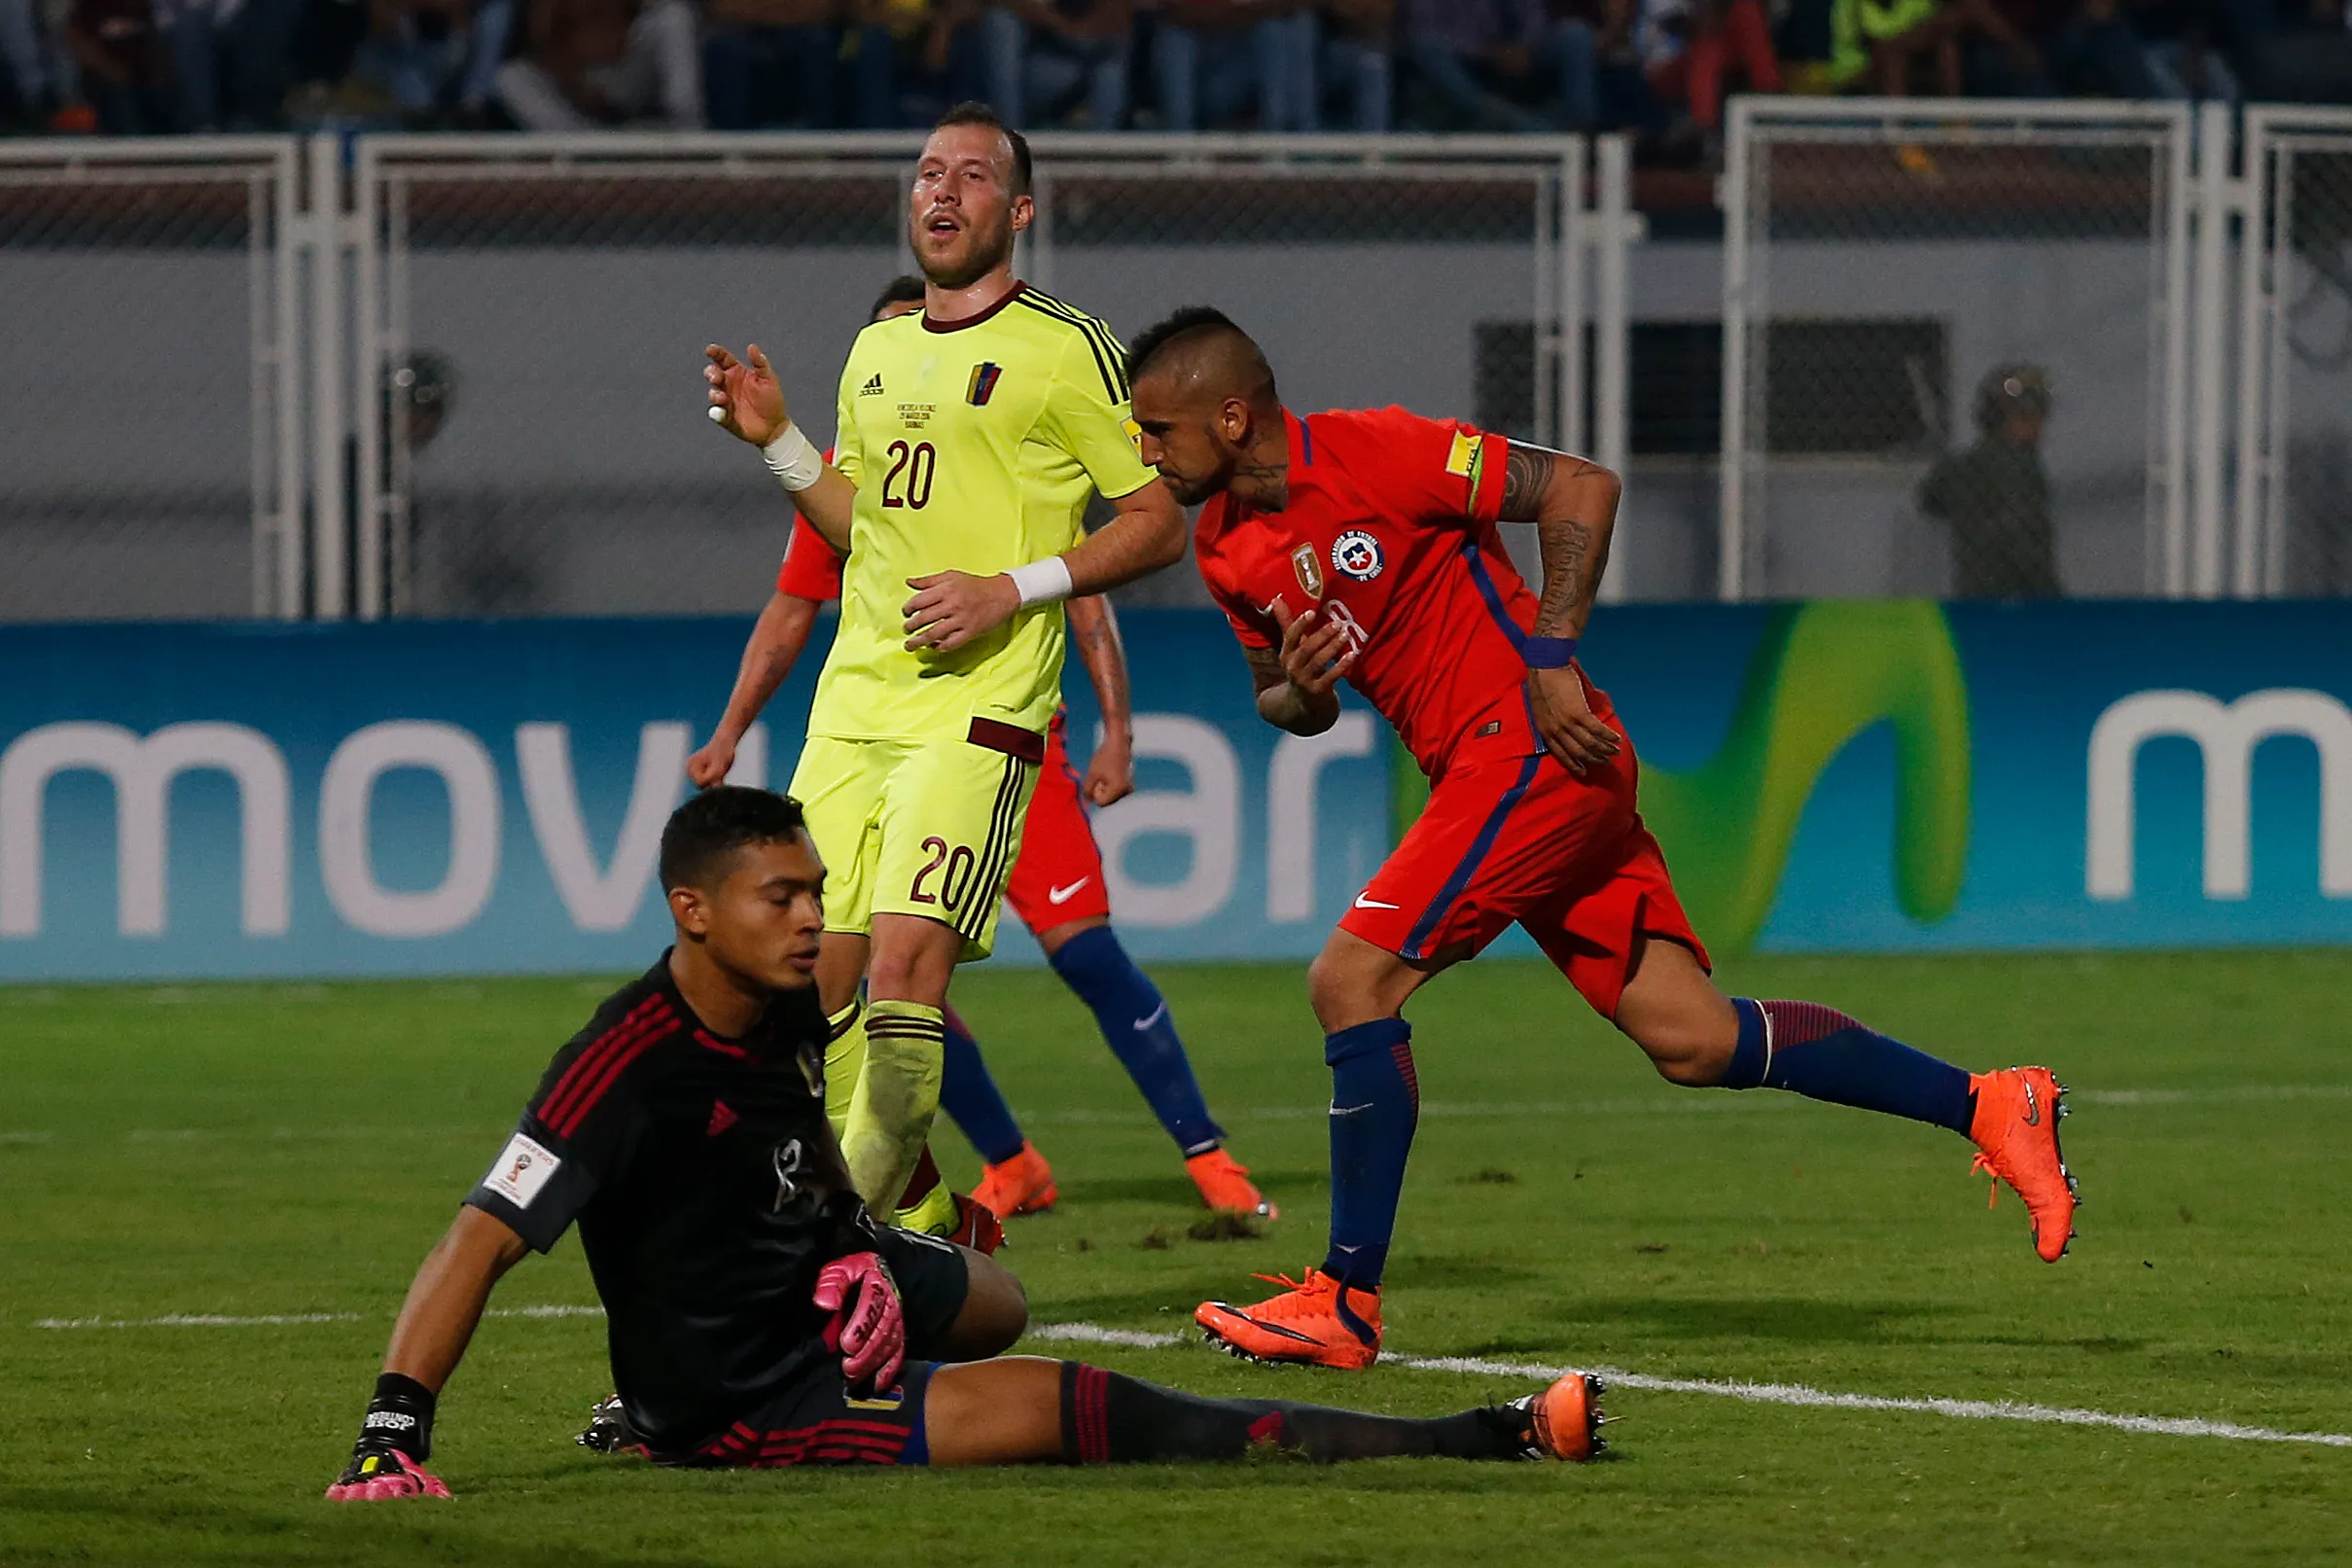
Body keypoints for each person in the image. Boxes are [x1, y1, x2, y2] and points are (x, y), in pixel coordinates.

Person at [1122, 307, 2080, 1372]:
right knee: (1696, 1039)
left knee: (1350, 980)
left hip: (1530, 749)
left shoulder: (1375, 451)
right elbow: (1283, 702)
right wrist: (1302, 692)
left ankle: (1344, 1300)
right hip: (1499, 775)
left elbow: (1581, 486)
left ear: (1233, 417)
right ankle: (1989, 1102)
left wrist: (1549, 655)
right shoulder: (1224, 547)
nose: (1145, 452)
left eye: (1157, 429)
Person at [324, 787, 1604, 1498]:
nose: (812, 918)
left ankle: (844, 1310)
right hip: (756, 1398)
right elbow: (479, 1237)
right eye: (781, 897)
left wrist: (848, 1242)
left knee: (998, 1299)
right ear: (692, 912)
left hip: (805, 1284)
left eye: (816, 890)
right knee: (1083, 1406)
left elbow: (796, 1137)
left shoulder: (786, 1003)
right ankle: (1479, 1436)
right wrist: (393, 1432)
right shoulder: (623, 1061)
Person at [702, 106, 1189, 1240]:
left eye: (972, 175)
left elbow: (1158, 522)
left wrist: (1010, 588)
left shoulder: (1068, 347)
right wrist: (781, 445)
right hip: (853, 709)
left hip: (978, 713)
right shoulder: (875, 353)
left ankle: (830, 1262)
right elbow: (864, 526)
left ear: (1017, 211)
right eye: (928, 170)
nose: (942, 189)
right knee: (803, 981)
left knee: (907, 970)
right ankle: (923, 1217)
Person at [1917, 364, 2059, 601]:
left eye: (2039, 416)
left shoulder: (1962, 468)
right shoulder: (2018, 469)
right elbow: (2026, 551)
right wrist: (2055, 605)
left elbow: (1930, 500)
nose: (2037, 427)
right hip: (2017, 605)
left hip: (1975, 603)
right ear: (1999, 418)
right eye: (2026, 416)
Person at [495, 0, 704, 128]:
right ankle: (584, 151)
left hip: (627, 72)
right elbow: (542, 45)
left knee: (674, 15)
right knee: (509, 77)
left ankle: (687, 136)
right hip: (578, 82)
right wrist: (575, 82)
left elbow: (625, 26)